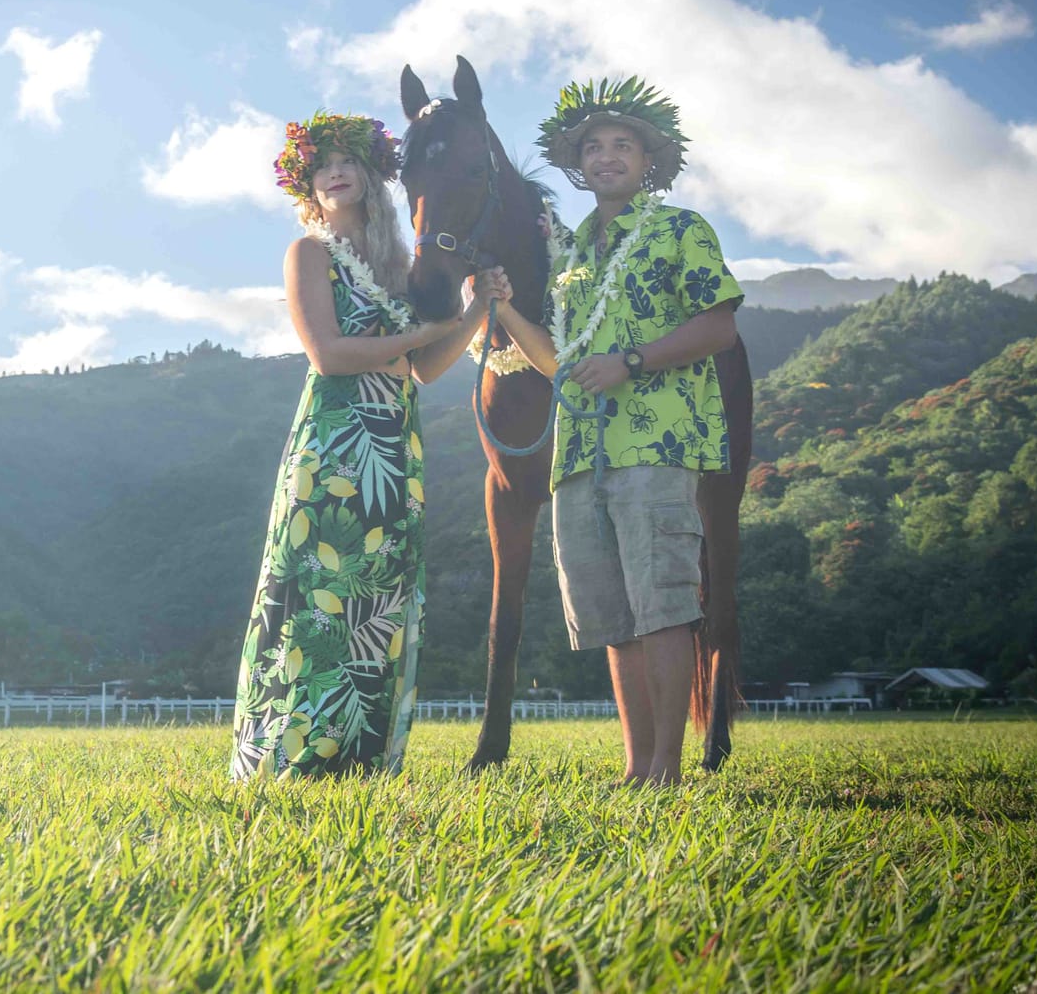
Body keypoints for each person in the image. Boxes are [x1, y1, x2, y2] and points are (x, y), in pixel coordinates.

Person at [229, 110, 507, 780]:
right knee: (320, 593)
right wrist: (418, 336)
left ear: (370, 171)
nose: (335, 170)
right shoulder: (309, 254)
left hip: (393, 450)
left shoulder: (401, 263)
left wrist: (475, 312)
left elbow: (426, 370)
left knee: (377, 600)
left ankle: (360, 759)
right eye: (321, 162)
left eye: (346, 158)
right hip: (333, 447)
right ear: (307, 184)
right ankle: (290, 756)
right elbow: (328, 355)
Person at [487, 78, 742, 786]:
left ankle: (667, 769)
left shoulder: (679, 229)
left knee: (661, 606)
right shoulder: (574, 260)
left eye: (621, 145)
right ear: (579, 165)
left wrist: (631, 361)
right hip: (577, 457)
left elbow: (718, 323)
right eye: (593, 147)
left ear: (648, 160)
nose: (606, 157)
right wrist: (507, 312)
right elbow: (563, 364)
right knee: (609, 616)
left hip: (655, 445)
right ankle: (635, 768)